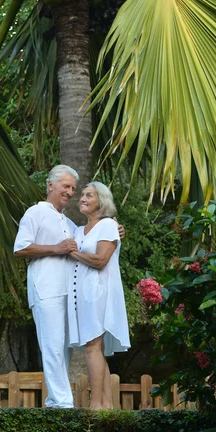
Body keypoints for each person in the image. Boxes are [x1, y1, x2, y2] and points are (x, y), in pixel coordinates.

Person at [14, 165, 79, 408]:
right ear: (51, 185)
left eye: (73, 188)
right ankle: (63, 404)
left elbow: (86, 245)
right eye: (66, 186)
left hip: (68, 292)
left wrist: (113, 231)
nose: (71, 192)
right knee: (52, 346)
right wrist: (56, 248)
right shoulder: (35, 213)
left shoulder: (70, 223)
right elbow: (21, 248)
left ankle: (55, 401)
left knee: (64, 350)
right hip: (45, 290)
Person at [67, 182, 130, 410]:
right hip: (82, 295)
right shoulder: (77, 230)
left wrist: (73, 252)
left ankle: (95, 406)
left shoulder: (107, 226)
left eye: (89, 195)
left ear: (100, 201)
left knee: (92, 345)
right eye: (82, 195)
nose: (82, 198)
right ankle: (106, 406)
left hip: (99, 292)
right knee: (94, 347)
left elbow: (101, 260)